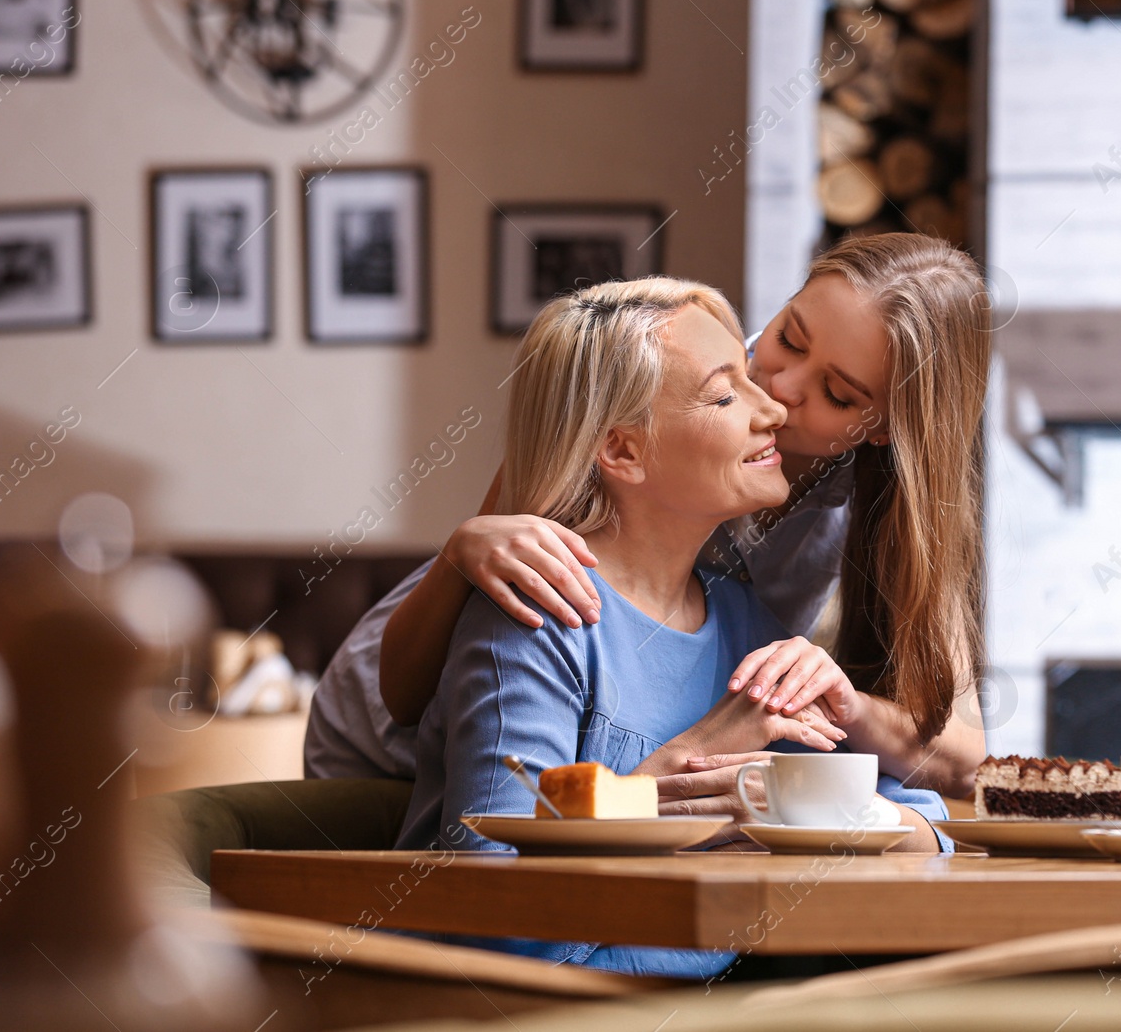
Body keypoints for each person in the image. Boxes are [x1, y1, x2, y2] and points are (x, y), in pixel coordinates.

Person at [305, 232, 992, 803]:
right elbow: (406, 695)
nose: (779, 389)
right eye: (789, 336)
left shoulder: (876, 510)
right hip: (404, 743)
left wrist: (840, 700)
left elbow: (961, 761)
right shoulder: (646, 378)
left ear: (883, 428)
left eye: (837, 394)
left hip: (621, 777)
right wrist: (462, 554)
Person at [393, 277, 951, 978]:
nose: (772, 407)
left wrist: (856, 816)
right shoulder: (539, 618)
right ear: (622, 451)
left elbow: (928, 823)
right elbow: (495, 931)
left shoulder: (748, 625)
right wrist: (696, 763)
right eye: (726, 395)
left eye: (750, 380)